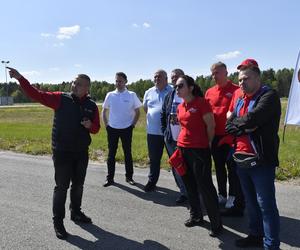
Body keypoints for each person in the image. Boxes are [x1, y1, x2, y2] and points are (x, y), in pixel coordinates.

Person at [7, 67, 100, 240]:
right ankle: (58, 222)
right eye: (73, 82)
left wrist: (90, 127)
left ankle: (76, 212)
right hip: (62, 151)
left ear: (87, 88)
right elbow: (36, 94)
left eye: (78, 84)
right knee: (61, 187)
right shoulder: (60, 99)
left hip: (81, 152)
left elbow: (96, 128)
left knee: (78, 185)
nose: (74, 85)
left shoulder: (92, 105)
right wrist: (20, 78)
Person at [226, 59, 281, 249]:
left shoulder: (269, 95)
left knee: (266, 205)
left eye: (246, 79)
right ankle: (255, 235)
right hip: (241, 159)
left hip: (261, 160)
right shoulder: (240, 98)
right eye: (240, 80)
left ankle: (271, 245)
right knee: (251, 203)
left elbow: (253, 118)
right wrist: (245, 127)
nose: (241, 83)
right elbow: (230, 125)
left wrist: (241, 124)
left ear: (257, 79)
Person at [175, 75, 222, 237]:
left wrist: (207, 144)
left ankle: (216, 224)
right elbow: (183, 127)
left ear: (191, 87)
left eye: (180, 86)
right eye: (176, 87)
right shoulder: (181, 106)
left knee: (205, 187)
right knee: (189, 185)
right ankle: (196, 216)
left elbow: (211, 126)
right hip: (183, 149)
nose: (177, 89)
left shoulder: (202, 103)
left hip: (199, 150)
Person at [205, 62, 244, 216]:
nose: (215, 76)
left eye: (218, 73)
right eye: (213, 73)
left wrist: (231, 136)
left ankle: (233, 196)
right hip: (215, 136)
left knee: (232, 168)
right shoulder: (209, 92)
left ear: (226, 72)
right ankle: (222, 194)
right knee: (219, 166)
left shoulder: (236, 90)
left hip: (232, 137)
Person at [102, 72, 142, 187]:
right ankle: (110, 178)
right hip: (112, 129)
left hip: (126, 129)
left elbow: (138, 112)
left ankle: (129, 177)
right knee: (111, 154)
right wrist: (107, 125)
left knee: (127, 154)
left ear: (125, 82)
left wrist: (132, 125)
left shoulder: (131, 95)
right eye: (116, 81)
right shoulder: (110, 95)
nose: (118, 83)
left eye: (120, 81)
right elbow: (104, 111)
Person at [143, 69, 172, 192]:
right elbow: (146, 108)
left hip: (170, 132)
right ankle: (152, 181)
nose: (157, 79)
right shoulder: (149, 92)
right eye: (155, 77)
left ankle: (184, 188)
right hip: (153, 132)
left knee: (175, 160)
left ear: (166, 79)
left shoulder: (172, 90)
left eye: (160, 77)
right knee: (154, 159)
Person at [161, 68, 187, 204]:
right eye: (172, 77)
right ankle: (183, 192)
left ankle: (193, 192)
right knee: (177, 166)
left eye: (176, 77)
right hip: (171, 138)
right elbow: (163, 114)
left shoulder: (189, 94)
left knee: (188, 166)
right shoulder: (169, 95)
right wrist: (164, 131)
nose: (174, 79)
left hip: (187, 139)